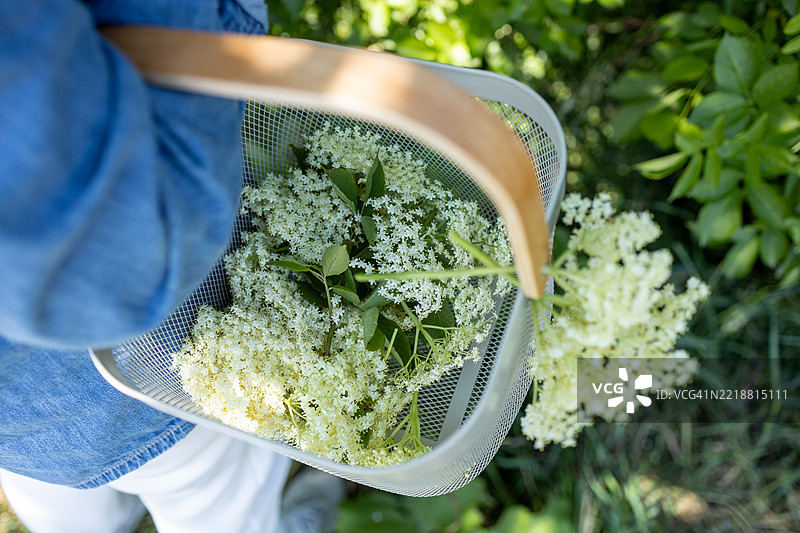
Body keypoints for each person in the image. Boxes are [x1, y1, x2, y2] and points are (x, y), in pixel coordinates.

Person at [0, 1, 344, 531]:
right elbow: (130, 249)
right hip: (160, 381)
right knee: (223, 504)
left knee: (64, 508)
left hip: (18, 422)